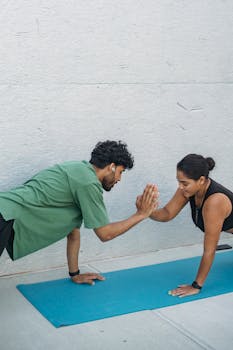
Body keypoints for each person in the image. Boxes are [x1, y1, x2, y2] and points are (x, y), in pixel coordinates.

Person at [0, 140, 158, 285]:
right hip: (4, 216)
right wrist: (141, 214)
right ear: (111, 166)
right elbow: (105, 234)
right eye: (121, 172)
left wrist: (74, 274)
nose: (119, 179)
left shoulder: (76, 169)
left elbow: (73, 232)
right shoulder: (88, 183)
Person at [138, 154, 233, 297]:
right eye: (179, 182)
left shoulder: (215, 202)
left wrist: (196, 286)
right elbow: (167, 213)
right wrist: (147, 211)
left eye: (184, 183)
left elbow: (210, 251)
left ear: (201, 180)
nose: (180, 187)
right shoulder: (188, 189)